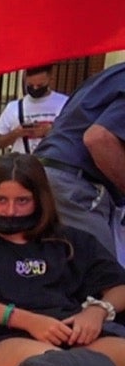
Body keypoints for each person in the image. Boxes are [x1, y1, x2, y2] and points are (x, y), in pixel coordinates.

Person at [0, 154, 125, 366]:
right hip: (6, 338)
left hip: (73, 333)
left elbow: (119, 286)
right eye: (1, 200)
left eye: (22, 201)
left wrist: (98, 310)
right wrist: (28, 321)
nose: (11, 211)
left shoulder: (69, 240)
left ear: (40, 200)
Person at [33, 63, 125, 257]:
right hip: (73, 185)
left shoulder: (109, 76)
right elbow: (98, 139)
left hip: (42, 173)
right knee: (103, 268)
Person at [0, 65, 69, 156]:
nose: (35, 88)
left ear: (50, 79)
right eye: (30, 85)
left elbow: (74, 137)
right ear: (25, 79)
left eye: (40, 85)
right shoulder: (13, 107)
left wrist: (50, 131)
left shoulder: (64, 103)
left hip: (54, 161)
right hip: (23, 161)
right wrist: (16, 133)